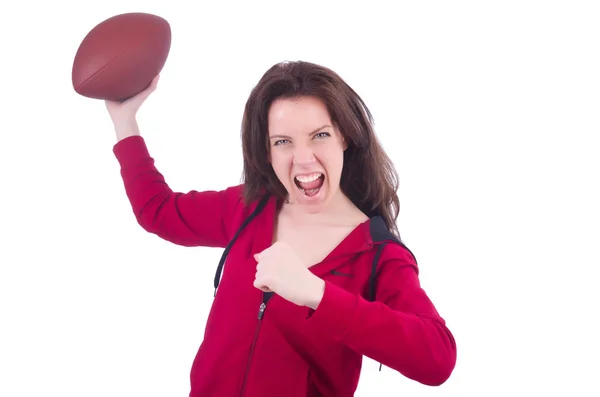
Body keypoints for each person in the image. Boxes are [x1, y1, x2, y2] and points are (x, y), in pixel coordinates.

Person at [106, 61, 457, 397]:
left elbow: (438, 358)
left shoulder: (377, 254)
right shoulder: (249, 207)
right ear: (267, 150)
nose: (303, 159)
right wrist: (125, 121)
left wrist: (316, 294)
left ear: (345, 137)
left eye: (319, 135)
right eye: (283, 141)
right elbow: (160, 212)